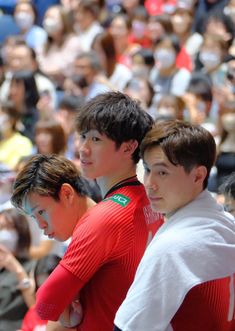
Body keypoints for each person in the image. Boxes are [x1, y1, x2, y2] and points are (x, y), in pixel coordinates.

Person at [11, 91, 163, 331]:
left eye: (95, 139)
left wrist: (63, 314)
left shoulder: (104, 217)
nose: (83, 149)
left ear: (128, 147)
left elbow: (44, 303)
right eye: (83, 137)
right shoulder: (151, 201)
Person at [114, 119, 235, 331]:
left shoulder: (172, 248)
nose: (149, 183)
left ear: (198, 175)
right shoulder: (227, 224)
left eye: (162, 172)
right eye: (148, 169)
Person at [0, 208, 36, 331]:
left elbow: (36, 308)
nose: (3, 234)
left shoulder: (33, 266)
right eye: (0, 228)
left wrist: (18, 270)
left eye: (9, 227)